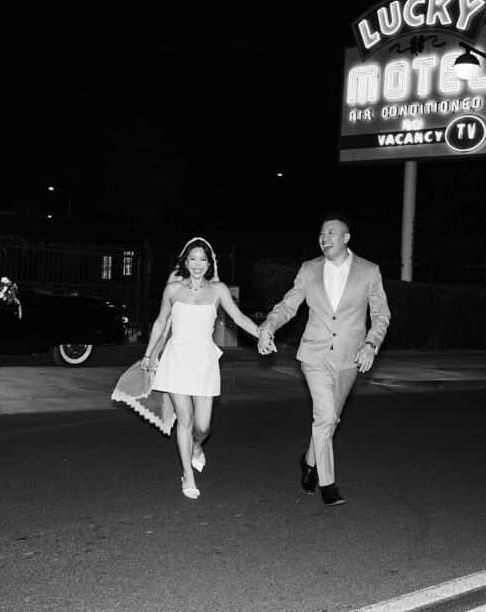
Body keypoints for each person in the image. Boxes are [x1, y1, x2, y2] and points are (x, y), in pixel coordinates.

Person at [256, 213, 390, 506]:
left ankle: (308, 461)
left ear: (346, 238)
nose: (324, 238)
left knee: (330, 419)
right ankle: (328, 485)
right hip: (315, 354)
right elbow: (288, 305)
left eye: (331, 232)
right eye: (321, 233)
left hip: (350, 357)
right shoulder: (309, 269)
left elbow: (381, 315)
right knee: (326, 416)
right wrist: (268, 326)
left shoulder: (369, 271)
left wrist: (371, 344)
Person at [141, 236, 260, 500]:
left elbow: (238, 317)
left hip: (204, 362)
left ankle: (196, 446)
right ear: (185, 262)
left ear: (209, 263)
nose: (197, 264)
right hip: (176, 360)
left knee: (203, 426)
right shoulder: (173, 289)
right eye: (192, 259)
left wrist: (262, 334)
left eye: (202, 259)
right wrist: (148, 354)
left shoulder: (218, 290)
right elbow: (160, 323)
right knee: (185, 419)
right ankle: (188, 475)